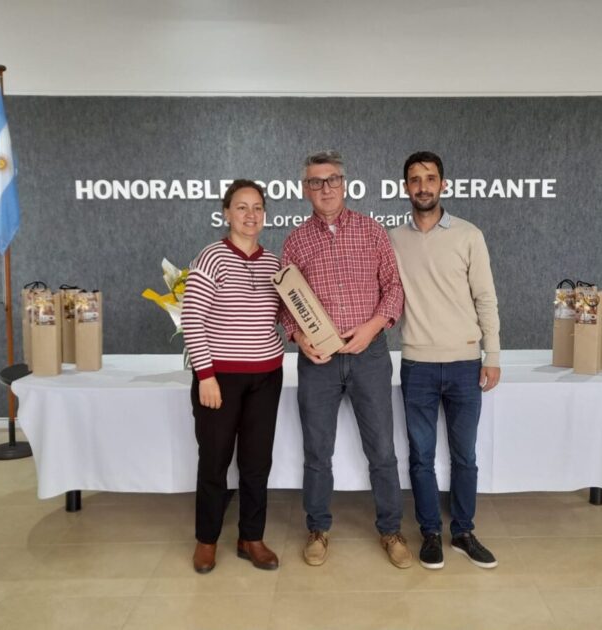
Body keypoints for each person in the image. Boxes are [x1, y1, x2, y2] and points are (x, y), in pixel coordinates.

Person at [281, 151, 411, 569]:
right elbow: (285, 302)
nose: (325, 188)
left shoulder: (372, 231)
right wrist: (298, 336)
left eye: (332, 179)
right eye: (316, 182)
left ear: (345, 184)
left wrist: (373, 327)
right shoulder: (295, 241)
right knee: (317, 451)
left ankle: (391, 530)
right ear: (306, 189)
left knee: (383, 450)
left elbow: (393, 288)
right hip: (318, 360)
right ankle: (318, 528)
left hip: (369, 355)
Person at [389, 151, 502, 570]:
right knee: (420, 457)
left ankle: (464, 532)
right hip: (417, 364)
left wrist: (492, 354)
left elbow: (485, 298)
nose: (423, 186)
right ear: (405, 187)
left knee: (464, 456)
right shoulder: (392, 239)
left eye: (430, 178)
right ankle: (431, 533)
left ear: (443, 184)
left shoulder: (469, 235)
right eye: (415, 179)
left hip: (464, 363)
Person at [182, 179, 284, 574]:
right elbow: (192, 318)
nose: (250, 215)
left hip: (266, 377)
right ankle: (207, 540)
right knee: (214, 461)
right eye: (242, 207)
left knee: (257, 462)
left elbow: (284, 314)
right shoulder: (211, 258)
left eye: (257, 207)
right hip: (220, 379)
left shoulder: (273, 263)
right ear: (227, 213)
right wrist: (206, 376)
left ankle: (251, 538)